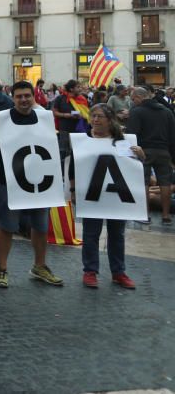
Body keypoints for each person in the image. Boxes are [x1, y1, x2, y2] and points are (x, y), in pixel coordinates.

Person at [0, 80, 64, 288]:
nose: (23, 100)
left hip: (40, 183)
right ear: (13, 98)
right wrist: (2, 166)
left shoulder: (45, 118)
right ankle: (2, 269)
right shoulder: (1, 119)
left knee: (40, 226)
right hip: (9, 182)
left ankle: (40, 266)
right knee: (7, 226)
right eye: (19, 96)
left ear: (33, 96)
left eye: (27, 96)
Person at [72, 104, 141, 289]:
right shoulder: (83, 140)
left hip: (116, 197)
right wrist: (72, 191)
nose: (95, 119)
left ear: (110, 120)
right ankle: (90, 271)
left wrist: (140, 155)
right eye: (93, 116)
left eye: (99, 116)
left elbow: (133, 166)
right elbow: (74, 168)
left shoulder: (122, 141)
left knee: (117, 234)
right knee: (91, 234)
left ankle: (118, 272)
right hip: (92, 197)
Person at [126, 86, 175, 225]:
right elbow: (173, 135)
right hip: (164, 151)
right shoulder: (167, 111)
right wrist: (173, 156)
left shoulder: (137, 111)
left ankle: (145, 215)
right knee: (165, 183)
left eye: (133, 99)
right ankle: (166, 216)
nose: (133, 102)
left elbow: (131, 133)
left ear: (140, 97)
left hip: (143, 151)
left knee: (144, 182)